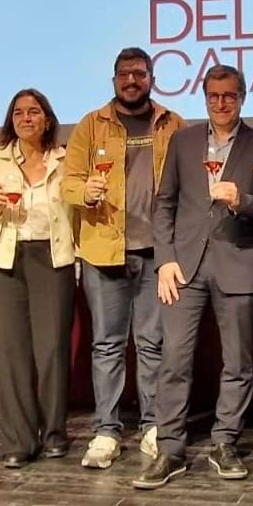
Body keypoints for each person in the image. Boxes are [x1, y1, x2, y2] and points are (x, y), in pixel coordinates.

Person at [133, 65, 253, 490]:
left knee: (237, 362)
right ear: (204, 97)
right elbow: (164, 204)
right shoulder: (183, 141)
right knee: (174, 361)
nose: (222, 103)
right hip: (184, 268)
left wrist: (244, 202)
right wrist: (164, 259)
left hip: (238, 265)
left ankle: (224, 443)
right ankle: (170, 449)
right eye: (214, 96)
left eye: (230, 96)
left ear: (243, 97)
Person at [61, 47, 184, 469]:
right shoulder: (90, 126)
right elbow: (68, 183)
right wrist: (84, 193)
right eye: (124, 74)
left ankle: (152, 424)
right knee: (108, 346)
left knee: (152, 344)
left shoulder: (172, 124)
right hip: (103, 251)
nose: (131, 81)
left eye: (139, 73)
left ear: (151, 78)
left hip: (157, 254)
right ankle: (106, 430)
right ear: (113, 80)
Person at [0, 88, 75, 469]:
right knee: (9, 352)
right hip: (5, 259)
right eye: (19, 112)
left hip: (53, 257)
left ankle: (53, 434)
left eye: (34, 112)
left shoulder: (65, 159)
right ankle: (17, 439)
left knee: (51, 350)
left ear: (47, 119)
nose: (26, 118)